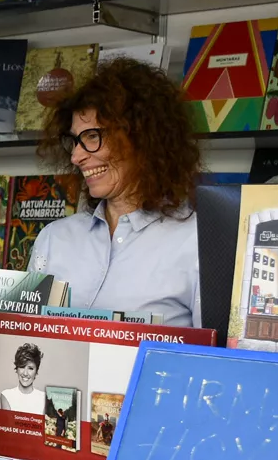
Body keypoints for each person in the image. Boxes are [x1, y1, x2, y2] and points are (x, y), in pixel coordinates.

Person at [29, 58, 202, 326]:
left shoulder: (195, 242)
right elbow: (23, 341)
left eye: (92, 137)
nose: (76, 156)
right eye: (75, 140)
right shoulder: (53, 240)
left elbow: (215, 358)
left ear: (141, 138)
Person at [0, 343, 46, 414]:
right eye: (22, 367)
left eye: (30, 368)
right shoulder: (6, 395)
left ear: (36, 371)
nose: (25, 373)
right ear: (17, 369)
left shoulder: (44, 398)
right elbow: (8, 424)